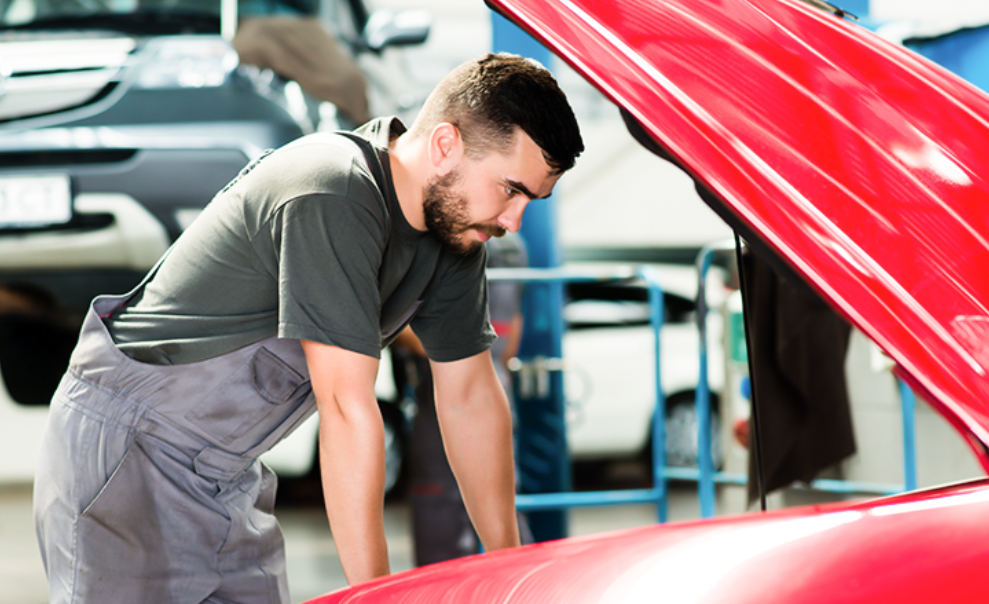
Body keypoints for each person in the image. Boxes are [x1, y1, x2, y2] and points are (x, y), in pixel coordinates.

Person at [33, 52, 583, 604]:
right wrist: (377, 593)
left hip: (224, 473)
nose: (513, 222)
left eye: (531, 201)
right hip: (128, 452)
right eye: (510, 189)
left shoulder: (458, 231)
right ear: (445, 146)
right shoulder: (333, 192)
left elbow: (470, 398)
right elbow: (346, 406)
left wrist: (512, 569)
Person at [397, 231, 529, 566]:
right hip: (498, 385)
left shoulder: (440, 240)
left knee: (440, 502)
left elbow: (396, 328)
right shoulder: (514, 249)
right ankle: (513, 579)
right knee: (504, 499)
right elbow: (513, 332)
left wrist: (447, 350)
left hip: (441, 392)